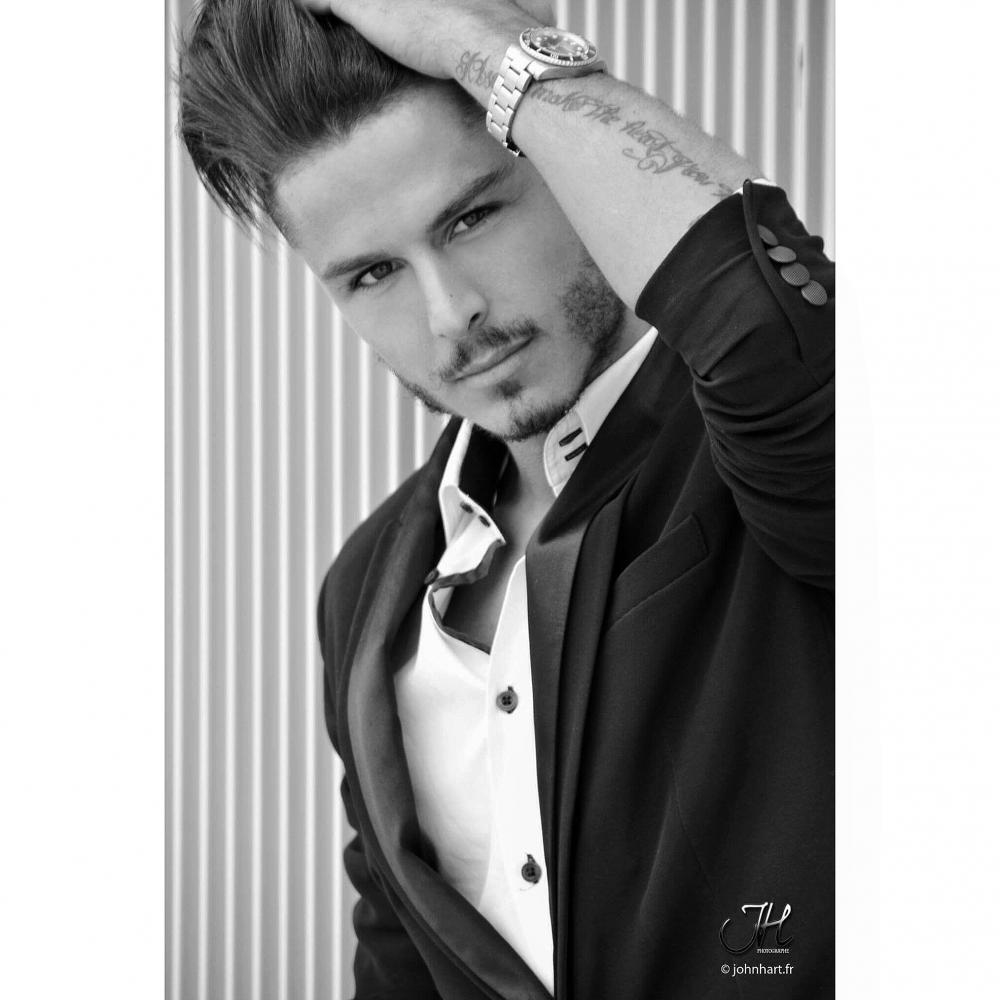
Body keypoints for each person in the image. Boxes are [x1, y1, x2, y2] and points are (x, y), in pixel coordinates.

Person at [177, 0, 834, 996]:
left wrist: (479, 48)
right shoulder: (365, 588)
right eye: (373, 274)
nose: (453, 317)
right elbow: (398, 958)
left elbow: (769, 319)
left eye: (471, 218)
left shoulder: (772, 451)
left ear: (562, 169)